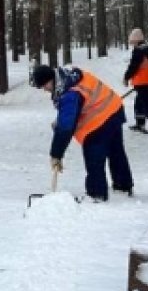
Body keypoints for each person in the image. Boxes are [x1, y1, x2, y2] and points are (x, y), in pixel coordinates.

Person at [32, 64, 134, 202]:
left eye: (44, 85)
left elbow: (66, 128)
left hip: (100, 120)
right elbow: (74, 109)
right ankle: (123, 186)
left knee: (94, 156)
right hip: (113, 108)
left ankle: (96, 194)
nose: (45, 89)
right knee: (115, 151)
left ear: (51, 79)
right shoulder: (69, 77)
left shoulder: (70, 93)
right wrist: (61, 120)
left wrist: (56, 154)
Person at [124, 27, 148, 134]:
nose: (133, 45)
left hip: (143, 82)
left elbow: (133, 66)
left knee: (147, 105)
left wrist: (126, 77)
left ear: (136, 41)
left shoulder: (138, 51)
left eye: (133, 42)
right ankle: (140, 123)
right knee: (142, 103)